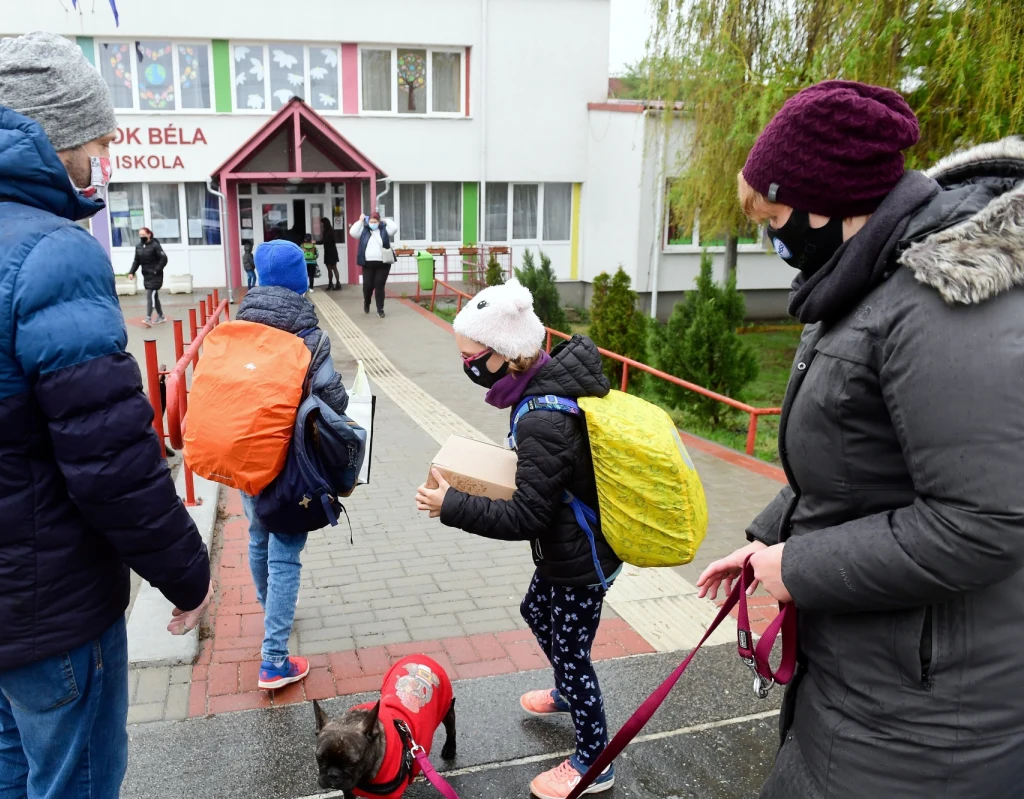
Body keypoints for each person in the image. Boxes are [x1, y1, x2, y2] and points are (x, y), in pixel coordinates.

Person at [0, 32, 211, 799]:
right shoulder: (53, 252)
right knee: (77, 777)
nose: (103, 156)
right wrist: (189, 575)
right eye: (96, 138)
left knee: (14, 744)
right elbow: (112, 464)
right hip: (46, 604)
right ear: (53, 136)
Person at [697, 80, 1024, 798]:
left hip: (928, 722)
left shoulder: (943, 302)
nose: (770, 236)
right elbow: (854, 459)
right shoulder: (862, 280)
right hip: (870, 678)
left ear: (828, 202)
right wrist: (769, 541)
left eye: (773, 215)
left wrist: (801, 565)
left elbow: (984, 523)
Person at [414, 279, 621, 799]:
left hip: (580, 558)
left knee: (573, 653)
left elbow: (527, 515)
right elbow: (542, 479)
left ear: (504, 356)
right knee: (536, 610)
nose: (465, 366)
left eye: (470, 357)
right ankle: (568, 691)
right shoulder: (538, 387)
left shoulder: (543, 417)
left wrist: (452, 505)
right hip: (567, 546)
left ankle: (595, 761)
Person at [237, 239, 349, 690]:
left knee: (257, 534)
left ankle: (270, 611)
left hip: (245, 455)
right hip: (292, 465)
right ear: (302, 282)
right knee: (286, 554)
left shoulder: (237, 326)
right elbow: (335, 398)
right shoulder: (310, 336)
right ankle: (274, 660)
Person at [348, 211, 398, 317]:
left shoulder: (384, 230)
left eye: (375, 221)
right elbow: (352, 232)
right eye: (371, 221)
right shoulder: (364, 230)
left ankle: (380, 309)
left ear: (379, 222)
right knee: (368, 286)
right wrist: (360, 220)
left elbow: (394, 228)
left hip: (383, 263)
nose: (373, 223)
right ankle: (367, 302)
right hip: (367, 264)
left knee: (379, 285)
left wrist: (386, 220)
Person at [128, 226, 168, 325]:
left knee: (150, 295)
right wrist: (131, 272)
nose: (141, 237)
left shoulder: (155, 245)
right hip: (146, 275)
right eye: (140, 235)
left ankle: (148, 318)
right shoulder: (138, 247)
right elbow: (136, 261)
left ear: (149, 234)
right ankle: (161, 316)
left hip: (155, 275)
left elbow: (164, 258)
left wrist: (156, 270)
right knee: (155, 297)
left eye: (143, 235)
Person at [319, 218, 341, 291]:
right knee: (334, 268)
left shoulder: (327, 231)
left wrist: (315, 242)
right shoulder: (330, 230)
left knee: (330, 268)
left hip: (329, 251)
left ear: (325, 223)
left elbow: (324, 241)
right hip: (332, 251)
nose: (321, 225)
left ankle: (331, 284)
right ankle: (337, 284)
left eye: (322, 223)